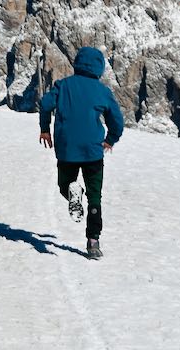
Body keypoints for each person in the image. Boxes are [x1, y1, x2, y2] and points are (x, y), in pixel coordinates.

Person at [38, 46, 124, 259]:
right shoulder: (103, 91)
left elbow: (45, 104)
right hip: (93, 151)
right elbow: (117, 121)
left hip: (67, 149)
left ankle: (72, 192)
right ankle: (93, 242)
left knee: (64, 186)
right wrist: (110, 139)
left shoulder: (63, 85)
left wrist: (45, 129)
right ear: (99, 68)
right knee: (95, 197)